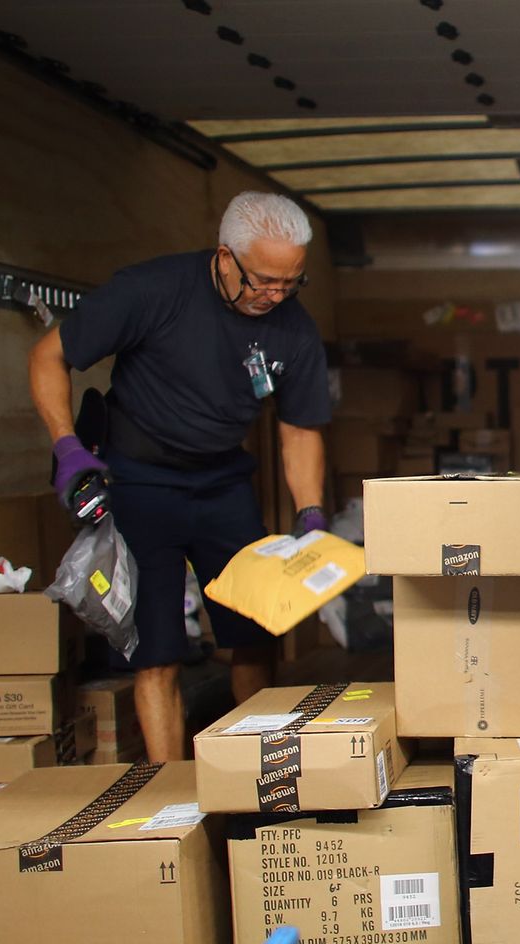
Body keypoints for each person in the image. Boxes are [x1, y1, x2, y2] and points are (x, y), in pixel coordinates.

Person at [27, 192, 331, 763]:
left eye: (290, 283)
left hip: (223, 484)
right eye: (263, 281)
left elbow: (299, 427)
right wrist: (67, 448)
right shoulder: (152, 291)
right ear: (225, 257)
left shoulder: (294, 328)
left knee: (255, 632)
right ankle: (175, 796)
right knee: (156, 652)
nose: (275, 296)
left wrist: (310, 511)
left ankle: (257, 773)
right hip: (140, 483)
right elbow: (49, 355)